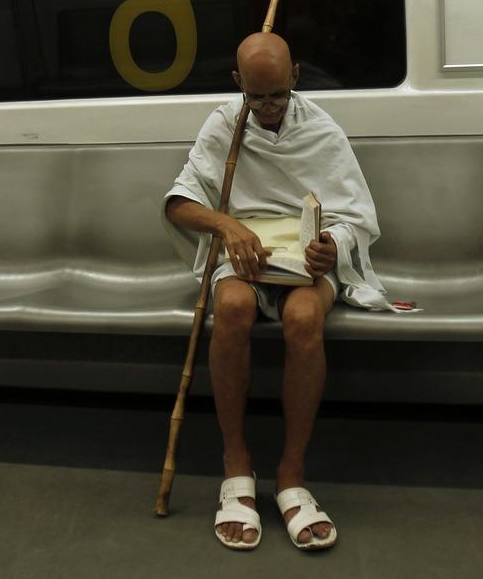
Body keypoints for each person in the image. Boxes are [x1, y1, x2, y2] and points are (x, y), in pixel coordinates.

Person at [163, 33, 397, 552]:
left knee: (303, 319)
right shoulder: (224, 123)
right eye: (256, 98)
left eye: (277, 96)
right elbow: (180, 202)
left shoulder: (322, 128)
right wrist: (226, 225)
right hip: (244, 257)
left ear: (294, 79)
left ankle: (291, 474)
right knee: (231, 306)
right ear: (238, 85)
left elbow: (354, 215)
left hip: (303, 262)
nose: (267, 109)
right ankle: (235, 464)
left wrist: (330, 246)